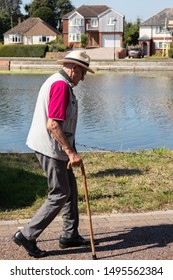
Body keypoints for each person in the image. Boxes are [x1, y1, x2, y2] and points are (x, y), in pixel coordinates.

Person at [12, 50, 95, 258]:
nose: (83, 78)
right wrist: (69, 152)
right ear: (74, 68)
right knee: (59, 193)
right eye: (83, 72)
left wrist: (72, 149)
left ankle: (69, 234)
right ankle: (27, 235)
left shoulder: (61, 83)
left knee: (71, 190)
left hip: (56, 145)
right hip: (50, 147)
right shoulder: (60, 85)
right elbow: (53, 124)